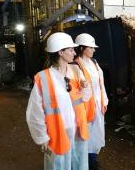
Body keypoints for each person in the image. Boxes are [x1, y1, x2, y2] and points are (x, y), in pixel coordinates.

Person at [26, 32, 89, 170]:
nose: (74, 53)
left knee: (80, 164)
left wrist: (85, 89)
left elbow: (84, 98)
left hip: (78, 129)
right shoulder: (43, 78)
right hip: (58, 132)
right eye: (71, 50)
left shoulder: (75, 71)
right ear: (60, 52)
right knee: (59, 166)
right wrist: (42, 137)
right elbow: (34, 112)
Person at [74, 33, 108, 170]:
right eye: (91, 47)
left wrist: (104, 100)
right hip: (85, 107)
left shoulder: (94, 63)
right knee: (85, 134)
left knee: (97, 133)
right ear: (82, 48)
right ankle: (86, 162)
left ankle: (93, 159)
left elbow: (101, 84)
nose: (94, 50)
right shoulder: (76, 65)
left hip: (98, 105)